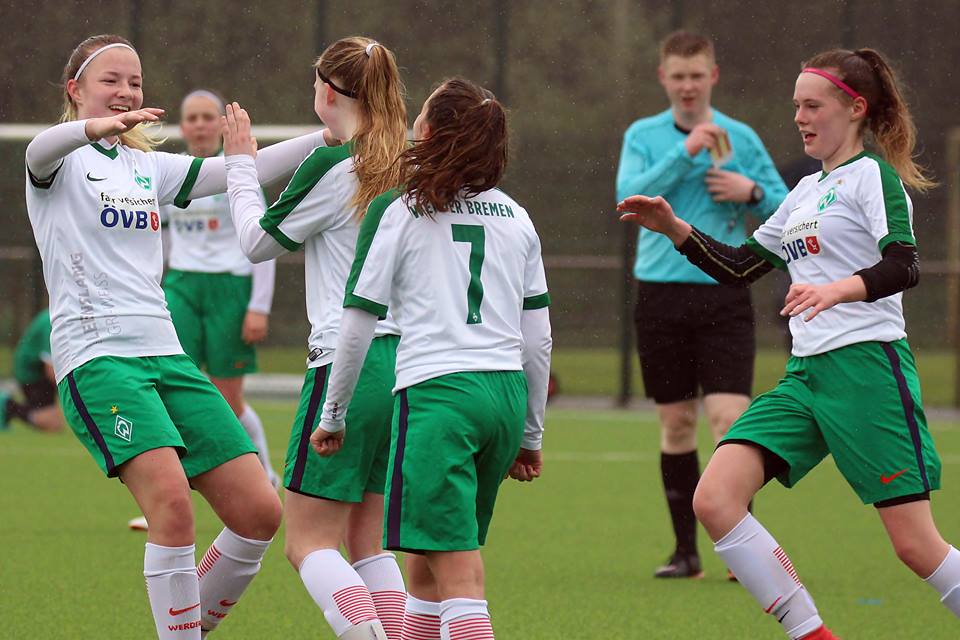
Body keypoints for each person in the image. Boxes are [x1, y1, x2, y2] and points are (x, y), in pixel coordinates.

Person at [619, 48, 957, 639]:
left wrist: (837, 291)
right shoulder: (802, 192)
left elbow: (904, 265)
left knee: (915, 546)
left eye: (812, 105)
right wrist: (674, 228)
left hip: (868, 372)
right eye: (796, 105)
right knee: (715, 499)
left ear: (855, 108)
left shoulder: (872, 177)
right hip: (806, 378)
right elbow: (739, 267)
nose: (799, 117)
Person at [25, 34, 331, 639]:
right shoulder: (57, 162)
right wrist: (94, 128)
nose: (125, 92)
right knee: (171, 506)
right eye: (111, 80)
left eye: (135, 82)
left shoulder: (146, 166)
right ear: (75, 89)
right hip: (100, 361)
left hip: (166, 357)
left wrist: (328, 139)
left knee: (259, 512)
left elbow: (235, 171)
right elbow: (41, 148)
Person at [304, 77, 553, 640]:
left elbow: (358, 321)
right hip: (504, 397)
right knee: (423, 569)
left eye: (422, 115)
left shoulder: (398, 208)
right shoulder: (517, 217)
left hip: (440, 398)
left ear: (433, 132)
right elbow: (538, 339)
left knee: (459, 574)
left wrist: (333, 413)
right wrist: (530, 433)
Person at [222, 37, 409, 640]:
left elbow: (256, 243)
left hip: (349, 361)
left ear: (329, 91)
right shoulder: (412, 163)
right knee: (366, 540)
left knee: (307, 542)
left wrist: (240, 166)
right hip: (408, 364)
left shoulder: (333, 166)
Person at [615, 30, 788, 578]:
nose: (687, 86)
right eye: (678, 76)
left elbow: (791, 207)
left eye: (696, 75)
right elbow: (628, 196)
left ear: (712, 76)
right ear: (663, 78)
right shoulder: (644, 135)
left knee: (730, 419)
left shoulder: (742, 137)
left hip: (724, 292)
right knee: (676, 424)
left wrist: (751, 192)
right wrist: (684, 151)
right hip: (660, 296)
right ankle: (685, 553)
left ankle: (742, 554)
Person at [162, 89, 280, 487]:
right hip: (181, 286)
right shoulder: (169, 173)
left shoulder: (239, 174)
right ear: (182, 127)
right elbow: (160, 241)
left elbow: (263, 241)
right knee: (175, 390)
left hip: (230, 289)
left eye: (207, 117)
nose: (199, 125)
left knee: (227, 398)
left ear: (221, 125)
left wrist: (259, 306)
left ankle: (263, 476)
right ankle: (178, 484)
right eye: (191, 118)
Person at [1, 308, 65, 432]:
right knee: (52, 424)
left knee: (56, 424)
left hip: (39, 369)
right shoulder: (51, 323)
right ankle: (7, 406)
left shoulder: (56, 315)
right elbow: (50, 369)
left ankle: (13, 408)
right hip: (30, 372)